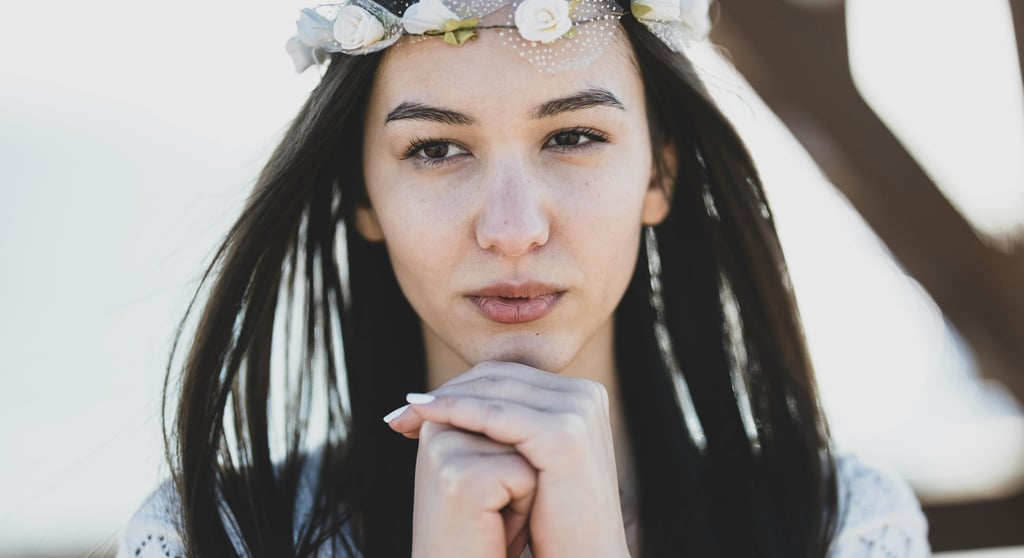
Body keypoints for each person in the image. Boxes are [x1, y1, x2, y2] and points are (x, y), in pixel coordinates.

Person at [118, 0, 930, 555]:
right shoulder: (207, 537)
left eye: (573, 136)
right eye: (436, 149)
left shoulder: (841, 529)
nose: (512, 229)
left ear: (660, 176)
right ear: (361, 194)